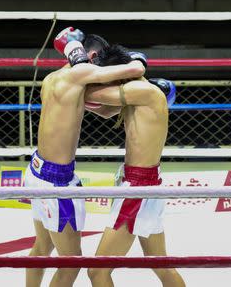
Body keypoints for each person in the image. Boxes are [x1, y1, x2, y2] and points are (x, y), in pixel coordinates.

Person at [25, 28, 146, 287]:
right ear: (92, 56)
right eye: (101, 62)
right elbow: (135, 70)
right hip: (56, 183)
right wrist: (136, 58)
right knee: (71, 264)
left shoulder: (56, 77)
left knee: (42, 247)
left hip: (35, 169)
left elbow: (104, 112)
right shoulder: (81, 73)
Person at [83, 45, 185, 287]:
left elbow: (87, 93)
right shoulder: (140, 92)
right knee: (159, 263)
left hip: (138, 189)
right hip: (146, 183)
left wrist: (75, 64)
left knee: (97, 272)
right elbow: (107, 111)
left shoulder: (143, 91)